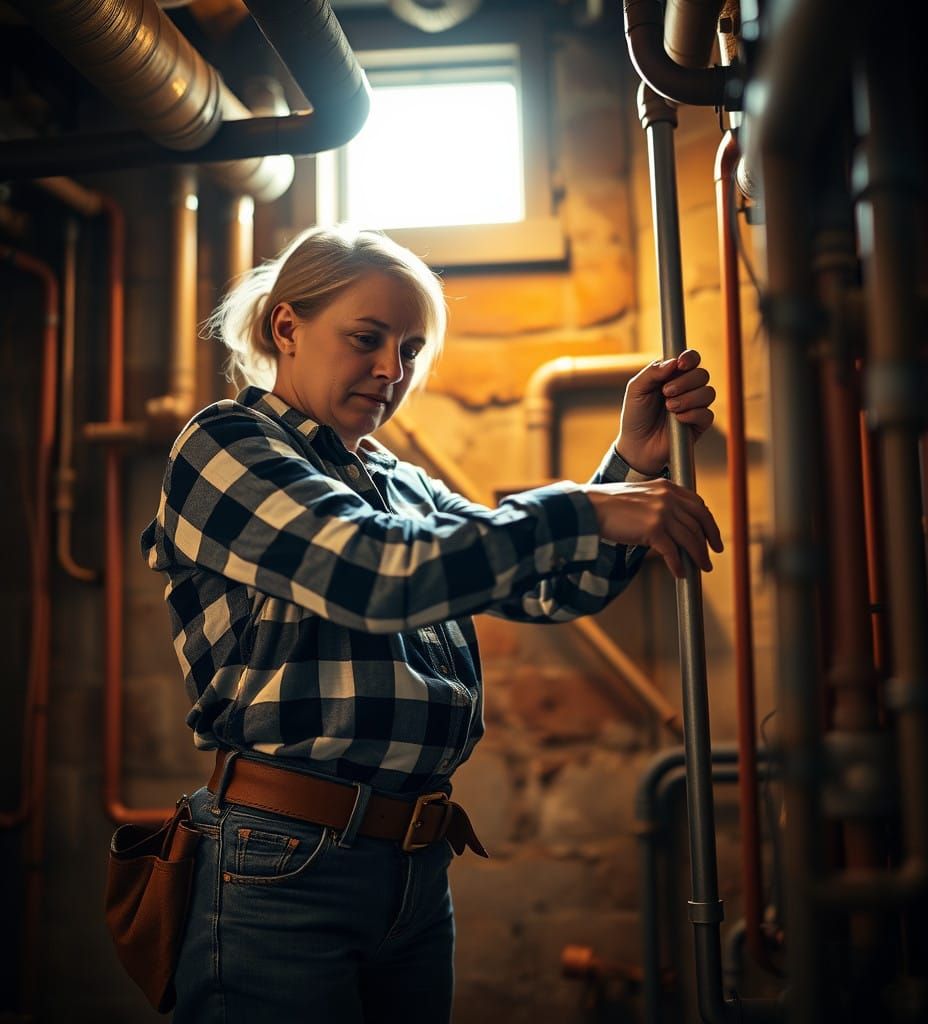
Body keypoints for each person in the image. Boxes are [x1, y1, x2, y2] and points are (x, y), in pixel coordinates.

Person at [141, 223, 721, 1023]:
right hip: (282, 859)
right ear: (286, 327)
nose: (391, 369)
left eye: (410, 349)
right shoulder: (225, 443)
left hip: (413, 866)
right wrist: (586, 505)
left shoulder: (401, 483)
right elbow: (380, 575)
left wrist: (630, 460)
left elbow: (554, 590)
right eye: (367, 338)